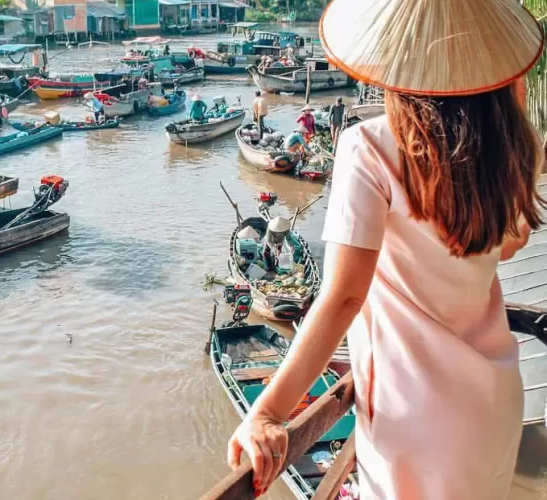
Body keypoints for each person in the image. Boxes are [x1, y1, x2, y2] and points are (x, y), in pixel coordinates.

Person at [226, 0, 544, 499]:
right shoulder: (510, 149)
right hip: (493, 404)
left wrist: (268, 412)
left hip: (412, 417)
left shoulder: (368, 146)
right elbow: (505, 247)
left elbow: (344, 296)